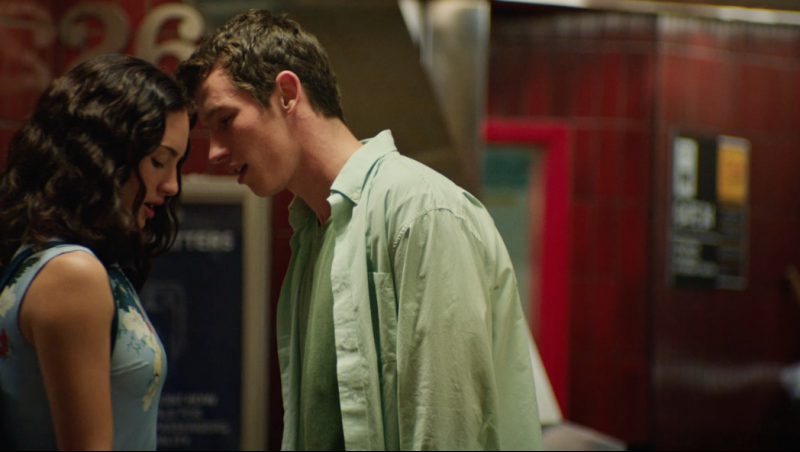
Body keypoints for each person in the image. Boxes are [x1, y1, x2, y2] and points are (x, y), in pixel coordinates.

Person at [176, 9, 543, 451]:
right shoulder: (314, 228)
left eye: (224, 120)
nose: (214, 152)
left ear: (287, 95)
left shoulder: (419, 211)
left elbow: (446, 431)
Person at [0, 54, 190, 450]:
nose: (171, 185)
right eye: (159, 161)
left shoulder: (41, 258)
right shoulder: (72, 273)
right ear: (102, 154)